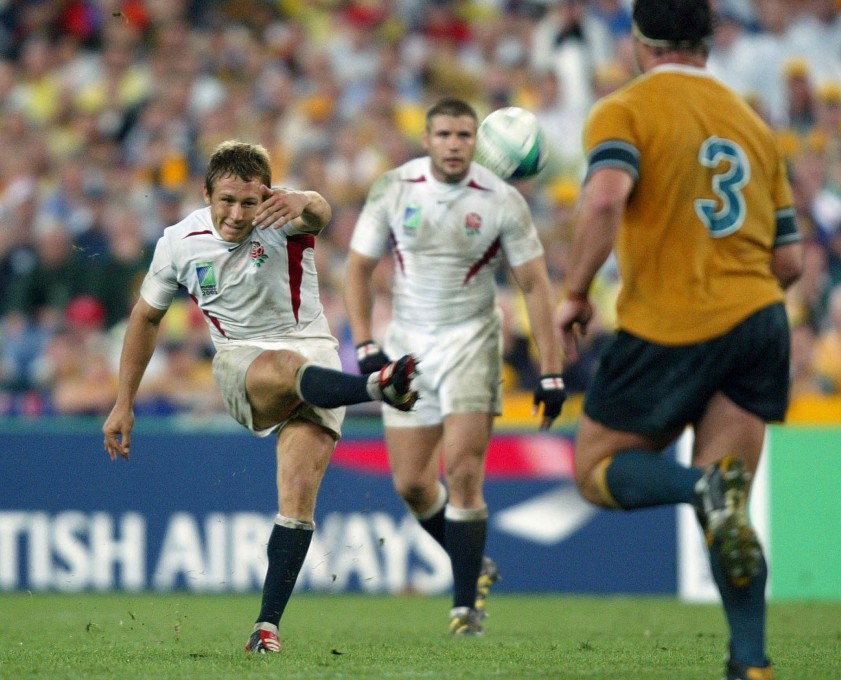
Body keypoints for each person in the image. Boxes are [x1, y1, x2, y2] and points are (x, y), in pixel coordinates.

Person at [553, 1, 803, 678]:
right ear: (710, 41)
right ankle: (749, 661)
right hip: (759, 322)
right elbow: (791, 264)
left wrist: (574, 292)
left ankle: (697, 489)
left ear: (639, 42)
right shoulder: (754, 125)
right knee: (732, 508)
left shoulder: (624, 109)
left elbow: (606, 197)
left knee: (597, 470)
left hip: (672, 320)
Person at [101, 140, 419, 654]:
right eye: (225, 200)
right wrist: (123, 401)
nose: (236, 213)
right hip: (242, 363)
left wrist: (305, 199)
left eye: (249, 202)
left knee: (297, 496)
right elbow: (146, 318)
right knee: (288, 368)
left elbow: (320, 209)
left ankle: (266, 628)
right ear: (206, 194)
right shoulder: (179, 242)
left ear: (266, 196)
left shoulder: (287, 217)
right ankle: (377, 388)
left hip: (313, 354)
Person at [343, 97, 566, 636]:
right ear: (427, 138)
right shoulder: (394, 189)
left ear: (476, 141)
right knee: (413, 483)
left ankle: (465, 608)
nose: (453, 144)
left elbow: (534, 284)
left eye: (464, 135)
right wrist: (368, 343)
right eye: (443, 134)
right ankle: (474, 563)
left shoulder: (503, 201)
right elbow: (357, 269)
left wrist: (552, 370)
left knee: (464, 472)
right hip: (407, 349)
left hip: (472, 343)